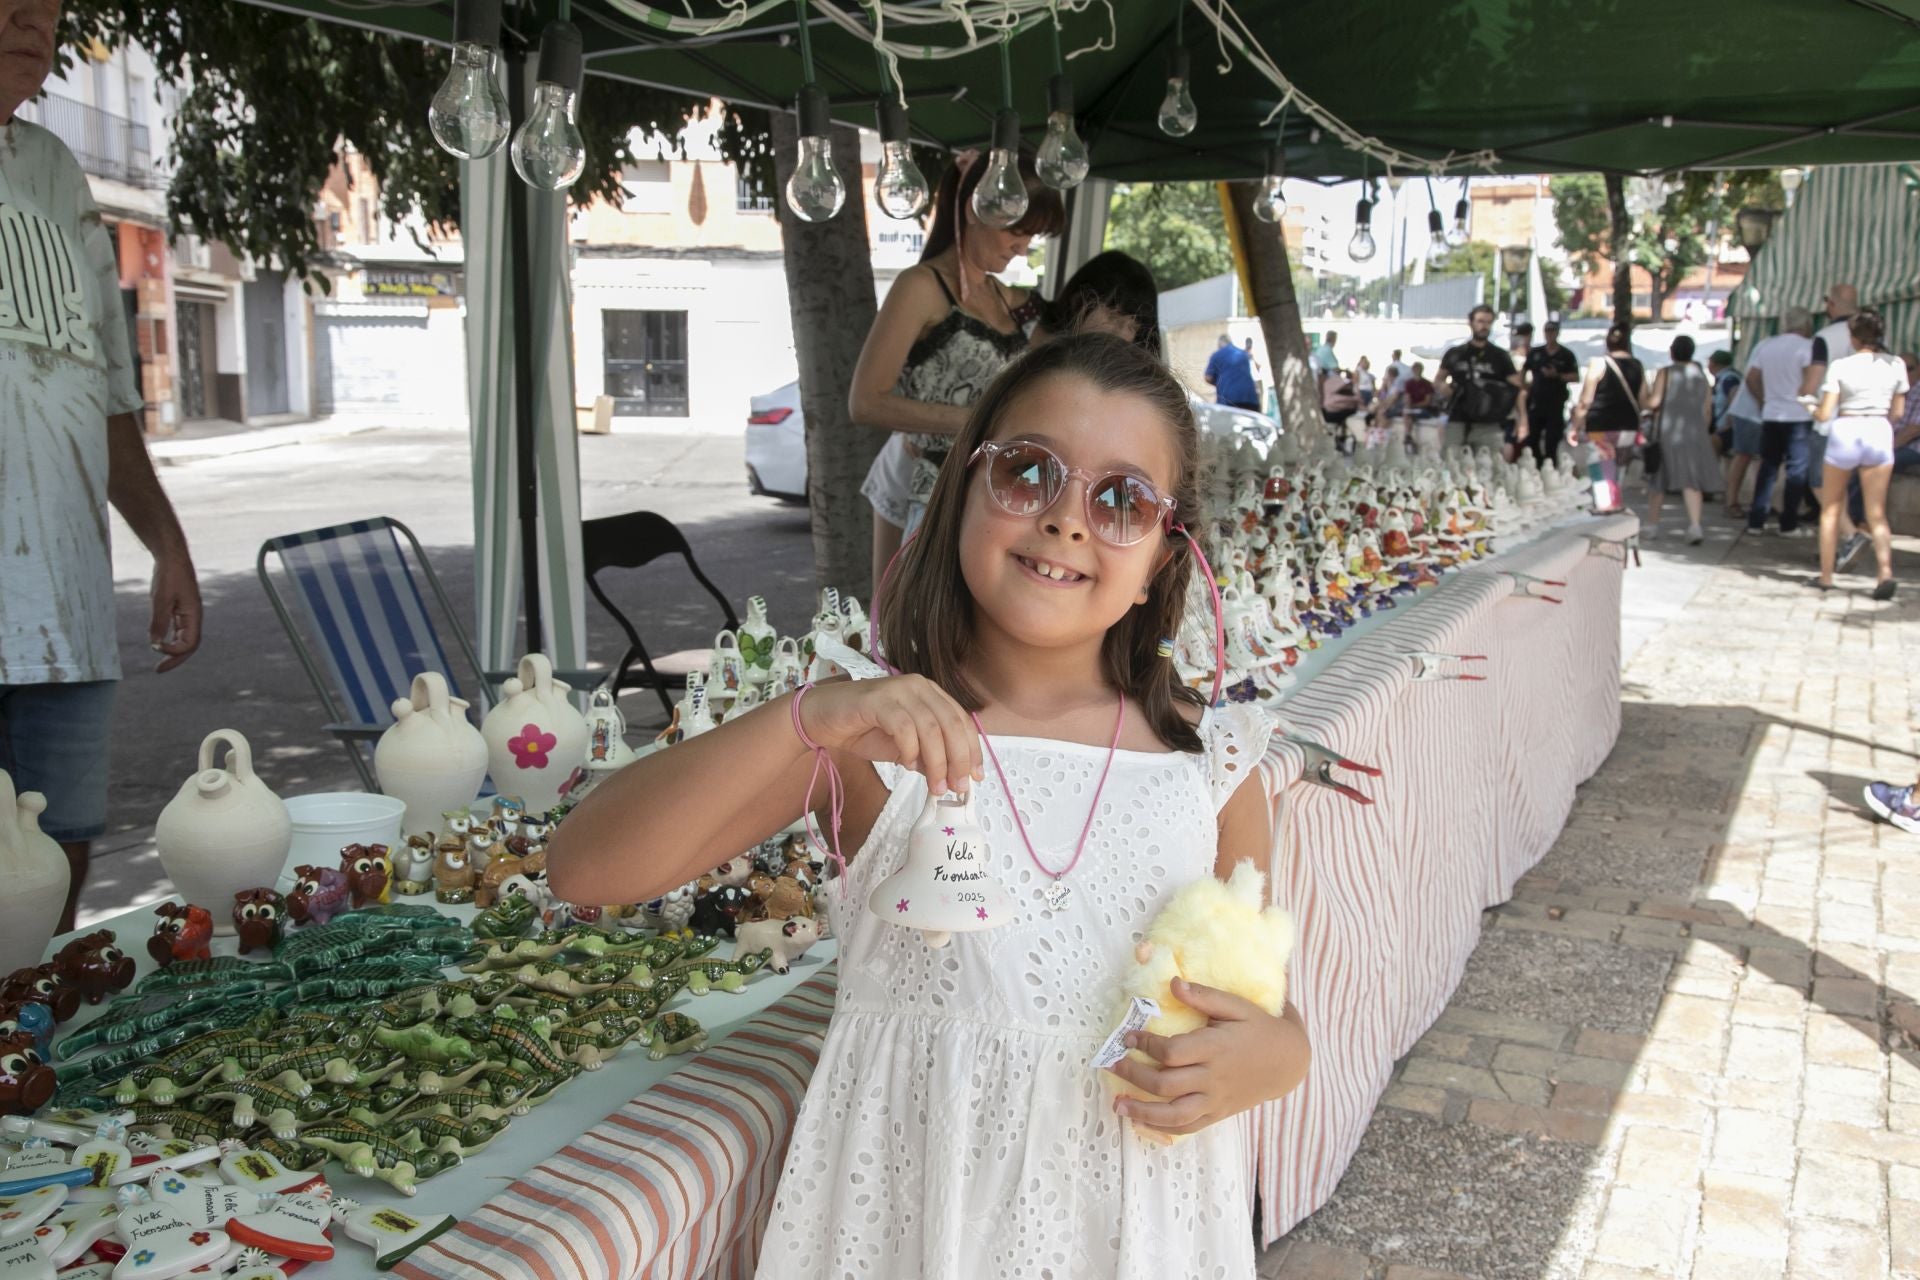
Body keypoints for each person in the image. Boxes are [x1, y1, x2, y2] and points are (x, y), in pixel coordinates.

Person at [547, 333, 1313, 1279]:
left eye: (1121, 500)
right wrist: (805, 720)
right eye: (1028, 473)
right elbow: (585, 867)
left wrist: (1285, 1056)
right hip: (912, 1224)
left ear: (1163, 555)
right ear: (960, 494)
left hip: (1137, 1228)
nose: (1068, 520)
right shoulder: (871, 739)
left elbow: (1260, 1005)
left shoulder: (1213, 765)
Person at [1, 0, 202, 933]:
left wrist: (167, 544)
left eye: (43, 6)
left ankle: (24, 1054)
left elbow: (108, 393)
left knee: (56, 858)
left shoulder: (53, 170)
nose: (29, 21)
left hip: (65, 612)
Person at [851, 147, 1065, 586]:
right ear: (976, 208)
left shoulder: (1008, 299)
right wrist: (977, 422)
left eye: (1032, 236)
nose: (1023, 247)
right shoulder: (922, 287)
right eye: (1018, 232)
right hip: (926, 486)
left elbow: (1059, 353)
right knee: (912, 626)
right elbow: (865, 402)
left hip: (990, 496)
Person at [1811, 309, 1904, 597]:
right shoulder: (1896, 364)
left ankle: (1827, 576)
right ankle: (1884, 573)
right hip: (1878, 430)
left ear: (1853, 336)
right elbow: (1897, 412)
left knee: (1830, 509)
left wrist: (1810, 407)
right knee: (1877, 513)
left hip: (1847, 430)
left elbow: (1825, 414)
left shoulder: (1841, 366)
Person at [1744, 307, 1818, 537]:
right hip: (1798, 415)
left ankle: (1756, 520)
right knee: (1797, 470)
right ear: (1806, 325)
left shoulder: (1767, 345)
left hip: (1771, 413)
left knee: (1768, 467)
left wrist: (1764, 399)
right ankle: (1788, 522)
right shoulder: (1807, 347)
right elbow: (1810, 380)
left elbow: (1751, 378)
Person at [1642, 334, 1717, 544]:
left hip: (1667, 432)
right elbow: (1707, 409)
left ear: (1672, 351)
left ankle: (1652, 525)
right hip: (1694, 433)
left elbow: (1654, 401)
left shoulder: (1665, 373)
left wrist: (1644, 397)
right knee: (1692, 481)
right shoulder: (1701, 376)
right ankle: (1695, 525)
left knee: (1658, 480)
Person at [1568, 323, 1646, 513]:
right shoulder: (1637, 366)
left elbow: (1585, 400)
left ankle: (1605, 508)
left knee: (1601, 468)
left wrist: (1575, 426)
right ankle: (1615, 503)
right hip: (1628, 427)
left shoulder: (1599, 363)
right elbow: (1644, 399)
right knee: (1617, 470)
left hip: (1600, 427)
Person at [1036, 250, 1162, 356]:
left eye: (1132, 327)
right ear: (1078, 302)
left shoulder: (1123, 375)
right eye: (1113, 318)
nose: (1120, 334)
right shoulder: (1032, 336)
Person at [1439, 304, 1526, 453]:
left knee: (1490, 467)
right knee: (1451, 464)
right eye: (1480, 321)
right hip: (1458, 419)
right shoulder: (1455, 353)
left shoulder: (1500, 356)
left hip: (1489, 423)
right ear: (1471, 323)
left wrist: (1523, 419)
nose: (1484, 326)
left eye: (1488, 322)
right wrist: (1442, 387)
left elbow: (1518, 389)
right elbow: (1439, 379)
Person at [1522, 319, 1581, 464]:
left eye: (1552, 331)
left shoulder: (1566, 355)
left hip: (1555, 402)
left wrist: (1558, 375)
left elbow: (1576, 376)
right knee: (1532, 439)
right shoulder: (1536, 353)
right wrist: (1524, 387)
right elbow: (1523, 371)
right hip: (1536, 401)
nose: (1549, 334)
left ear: (1557, 333)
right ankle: (1537, 464)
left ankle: (1550, 466)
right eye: (1547, 331)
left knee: (1552, 440)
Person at [1720, 357, 1765, 518]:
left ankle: (1759, 503)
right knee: (1744, 456)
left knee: (1760, 459)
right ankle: (1731, 502)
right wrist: (1762, 401)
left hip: (1761, 413)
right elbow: (1751, 378)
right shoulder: (1766, 348)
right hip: (1751, 413)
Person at [1204, 333, 1260, 411]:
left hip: (1229, 401)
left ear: (1220, 343)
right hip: (1250, 400)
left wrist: (1219, 383)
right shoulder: (1243, 354)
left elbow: (1208, 377)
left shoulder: (1216, 355)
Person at [1894, 352, 1920, 474]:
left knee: (1878, 462)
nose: (1906, 374)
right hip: (1895, 444)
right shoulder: (1893, 391)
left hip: (1913, 448)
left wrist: (1887, 448)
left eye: (1910, 369)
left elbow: (1913, 430)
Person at [1243, 336, 1267, 409]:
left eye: (1249, 344)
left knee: (1260, 398)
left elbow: (1259, 366)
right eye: (1247, 344)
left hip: (1257, 379)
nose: (1248, 346)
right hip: (1248, 380)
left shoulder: (1255, 353)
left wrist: (1253, 357)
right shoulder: (1243, 353)